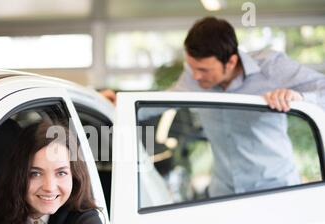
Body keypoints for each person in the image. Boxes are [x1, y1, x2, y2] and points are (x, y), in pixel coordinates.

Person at [103, 17, 325, 197]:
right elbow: (162, 101)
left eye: (204, 70)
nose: (196, 76)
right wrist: (116, 102)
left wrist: (298, 96)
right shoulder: (194, 76)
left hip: (276, 188)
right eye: (191, 67)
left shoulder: (272, 67)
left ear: (231, 62)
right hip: (224, 192)